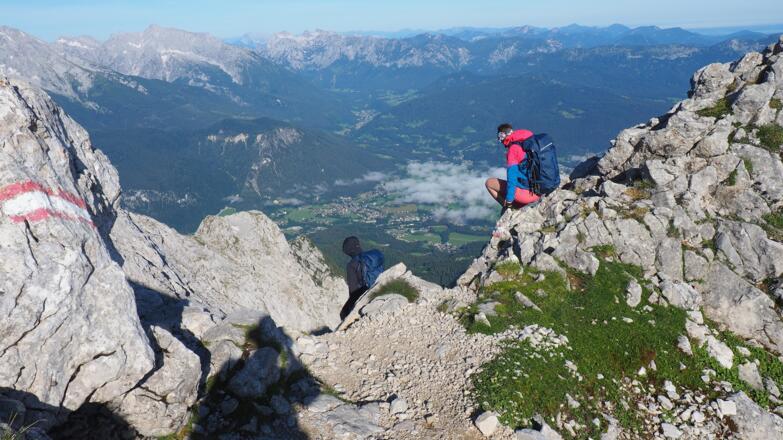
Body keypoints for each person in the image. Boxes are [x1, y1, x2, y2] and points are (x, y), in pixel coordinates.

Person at [485, 123, 541, 211]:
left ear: (502, 135)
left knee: (489, 183)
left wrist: (509, 200)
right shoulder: (529, 142)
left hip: (527, 195)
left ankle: (509, 209)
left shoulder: (513, 150)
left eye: (500, 138)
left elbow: (512, 179)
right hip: (541, 188)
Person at [340, 236, 384, 320]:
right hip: (381, 287)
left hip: (366, 292)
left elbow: (353, 291)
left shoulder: (351, 264)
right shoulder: (371, 258)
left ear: (348, 251)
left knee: (343, 313)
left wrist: (352, 307)